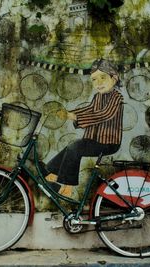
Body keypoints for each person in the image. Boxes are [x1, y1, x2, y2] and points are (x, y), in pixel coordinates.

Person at [45, 59, 124, 197]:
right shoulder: (97, 97)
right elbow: (89, 109)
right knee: (72, 146)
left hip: (109, 143)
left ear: (114, 78)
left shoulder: (117, 97)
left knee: (75, 148)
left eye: (103, 78)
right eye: (94, 79)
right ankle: (52, 171)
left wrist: (75, 117)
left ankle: (67, 186)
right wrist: (70, 113)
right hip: (94, 140)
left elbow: (104, 115)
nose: (98, 83)